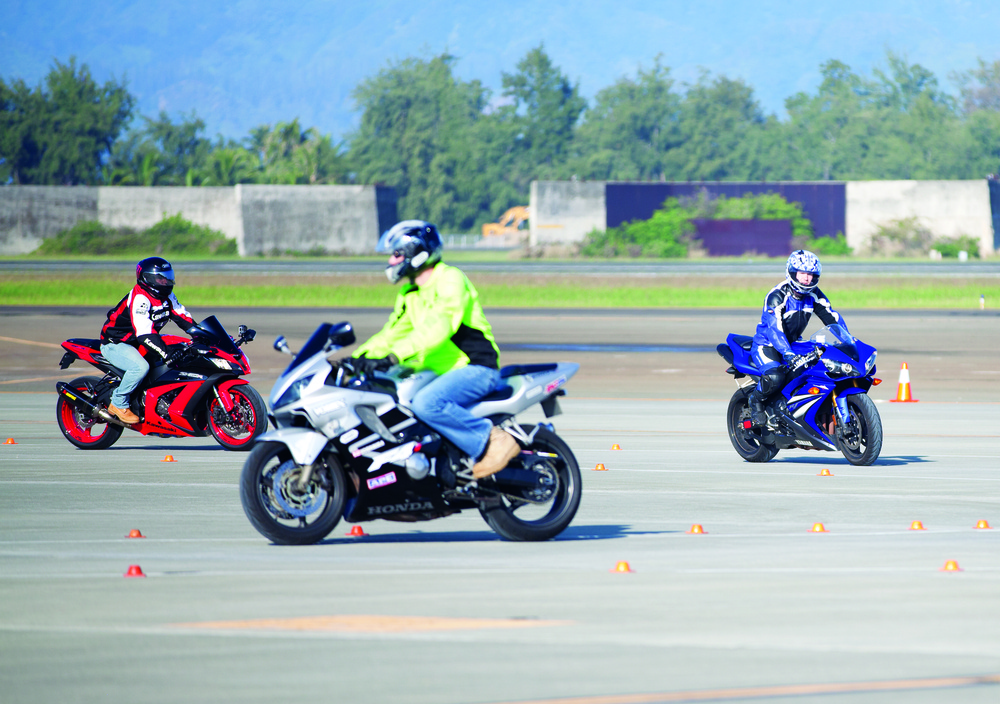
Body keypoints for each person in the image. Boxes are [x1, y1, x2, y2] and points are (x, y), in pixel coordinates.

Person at [351, 220, 518, 480]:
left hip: (474, 368)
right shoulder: (410, 293)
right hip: (437, 373)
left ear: (414, 253)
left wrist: (396, 356)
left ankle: (493, 440)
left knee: (427, 403)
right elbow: (391, 333)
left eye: (396, 254)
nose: (392, 261)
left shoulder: (450, 279)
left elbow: (439, 326)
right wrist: (357, 359)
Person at [748, 249, 847, 427]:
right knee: (776, 377)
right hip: (768, 344)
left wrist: (848, 341)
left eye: (811, 274)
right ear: (792, 272)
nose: (807, 279)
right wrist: (787, 353)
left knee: (817, 370)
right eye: (802, 273)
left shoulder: (815, 294)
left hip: (793, 343)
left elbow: (833, 319)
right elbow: (774, 329)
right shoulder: (777, 295)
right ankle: (755, 402)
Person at [99, 257, 196, 424]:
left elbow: (183, 317)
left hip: (140, 341)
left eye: (167, 276)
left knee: (183, 349)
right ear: (147, 278)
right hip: (117, 343)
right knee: (140, 367)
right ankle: (118, 402)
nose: (165, 281)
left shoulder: (166, 295)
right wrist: (166, 353)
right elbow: (144, 333)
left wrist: (205, 335)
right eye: (160, 278)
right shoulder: (140, 298)